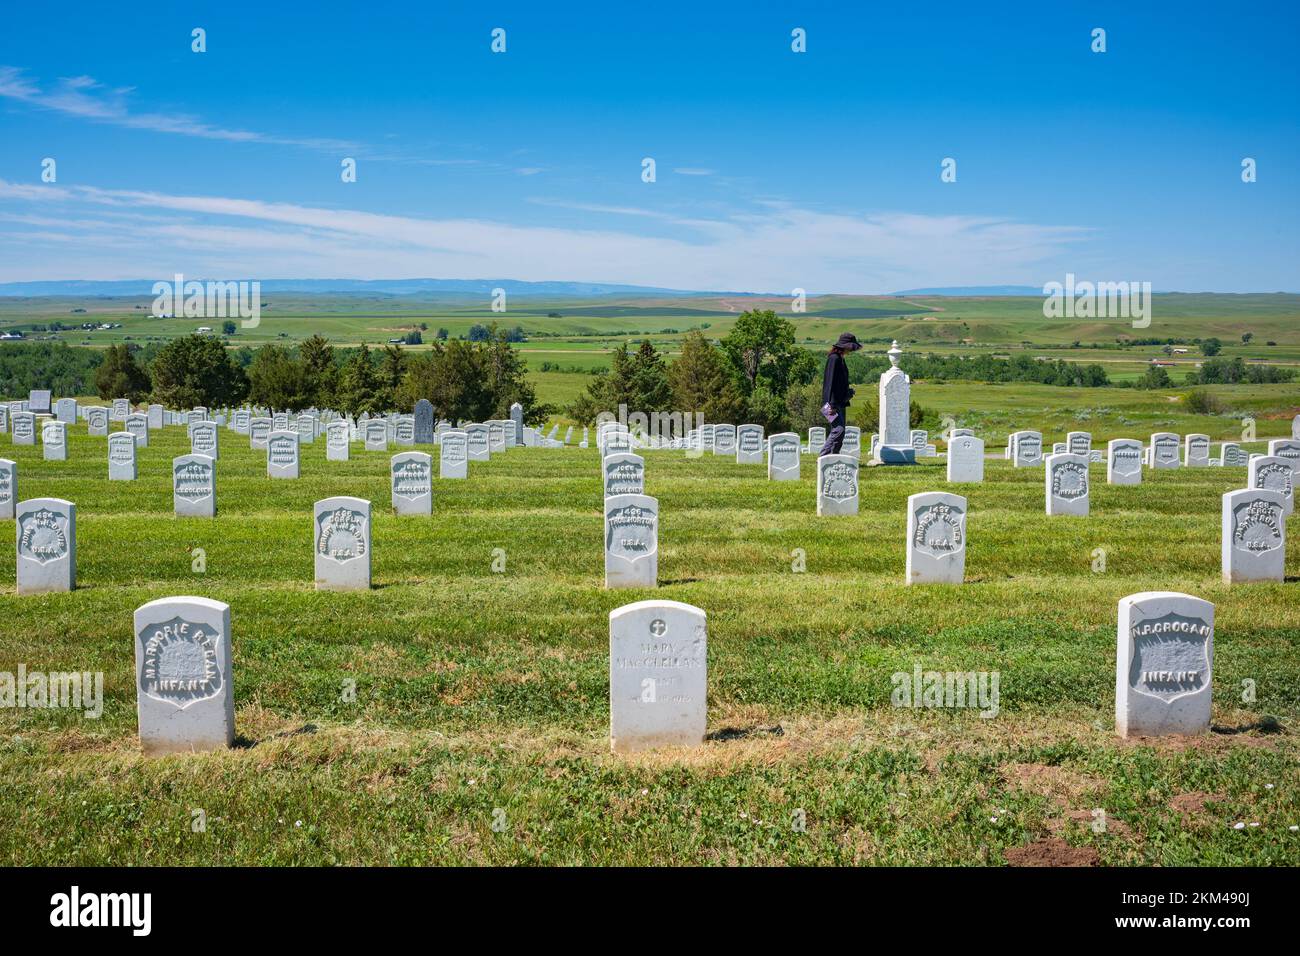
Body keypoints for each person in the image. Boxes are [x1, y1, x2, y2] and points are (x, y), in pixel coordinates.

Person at [819, 332, 861, 456]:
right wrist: (830, 405)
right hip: (831, 404)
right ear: (845, 345)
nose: (852, 349)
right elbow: (829, 383)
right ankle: (823, 457)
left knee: (840, 431)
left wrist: (847, 392)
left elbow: (839, 383)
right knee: (839, 430)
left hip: (839, 402)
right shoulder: (834, 359)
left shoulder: (840, 359)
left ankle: (834, 457)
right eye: (851, 346)